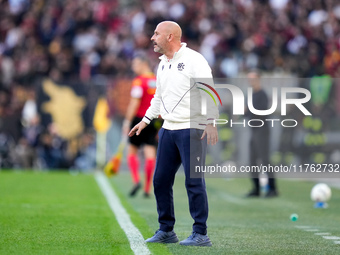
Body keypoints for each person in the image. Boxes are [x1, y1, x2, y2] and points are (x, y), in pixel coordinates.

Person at [129, 21, 219, 246]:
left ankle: (201, 233)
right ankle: (166, 230)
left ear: (170, 37)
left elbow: (210, 91)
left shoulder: (194, 59)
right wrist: (146, 120)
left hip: (193, 128)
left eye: (156, 33)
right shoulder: (162, 64)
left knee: (194, 181)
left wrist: (211, 122)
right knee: (160, 180)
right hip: (168, 129)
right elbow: (158, 97)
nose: (152, 37)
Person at [122, 53, 159, 197]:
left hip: (139, 119)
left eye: (135, 64)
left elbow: (134, 102)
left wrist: (127, 121)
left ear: (144, 64)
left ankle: (136, 180)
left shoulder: (139, 81)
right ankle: (147, 188)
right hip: (155, 120)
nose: (133, 67)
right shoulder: (157, 80)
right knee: (150, 152)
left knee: (132, 151)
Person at [246, 71, 278, 198]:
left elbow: (261, 112)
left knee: (265, 160)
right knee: (252, 161)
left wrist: (247, 110)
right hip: (254, 131)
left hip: (262, 131)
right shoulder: (251, 95)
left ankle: (273, 188)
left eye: (252, 79)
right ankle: (256, 188)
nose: (250, 82)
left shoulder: (262, 95)